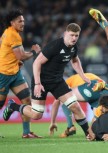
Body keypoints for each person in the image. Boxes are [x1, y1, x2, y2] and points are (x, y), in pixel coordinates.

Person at [3, 23, 91, 137]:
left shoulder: (74, 47)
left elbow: (75, 60)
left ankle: (89, 134)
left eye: (76, 36)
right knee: (36, 115)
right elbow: (36, 63)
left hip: (57, 81)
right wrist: (38, 84)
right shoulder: (55, 46)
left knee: (75, 107)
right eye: (72, 35)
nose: (74, 38)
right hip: (42, 81)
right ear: (65, 34)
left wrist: (83, 76)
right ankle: (12, 106)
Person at [0, 9, 42, 138]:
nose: (23, 23)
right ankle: (11, 106)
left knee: (27, 100)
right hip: (4, 74)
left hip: (15, 73)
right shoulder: (13, 35)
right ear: (12, 22)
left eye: (23, 20)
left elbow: (3, 47)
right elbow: (21, 56)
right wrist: (34, 52)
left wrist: (13, 61)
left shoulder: (8, 33)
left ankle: (26, 132)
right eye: (20, 21)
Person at [48, 73, 108, 137]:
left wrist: (53, 122)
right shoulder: (78, 77)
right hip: (101, 86)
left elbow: (55, 103)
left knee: (64, 98)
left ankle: (70, 126)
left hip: (89, 87)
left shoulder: (65, 83)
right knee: (99, 115)